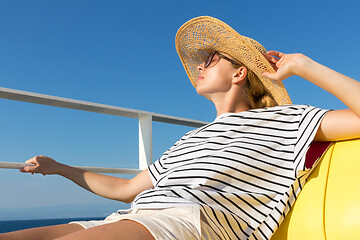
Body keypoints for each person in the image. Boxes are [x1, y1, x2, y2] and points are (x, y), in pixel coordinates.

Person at [1, 16, 360, 240]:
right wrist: (58, 168)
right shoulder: (191, 140)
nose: (200, 67)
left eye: (211, 59)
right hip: (132, 218)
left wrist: (303, 65)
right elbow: (125, 189)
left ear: (240, 73)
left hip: (188, 225)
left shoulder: (286, 120)